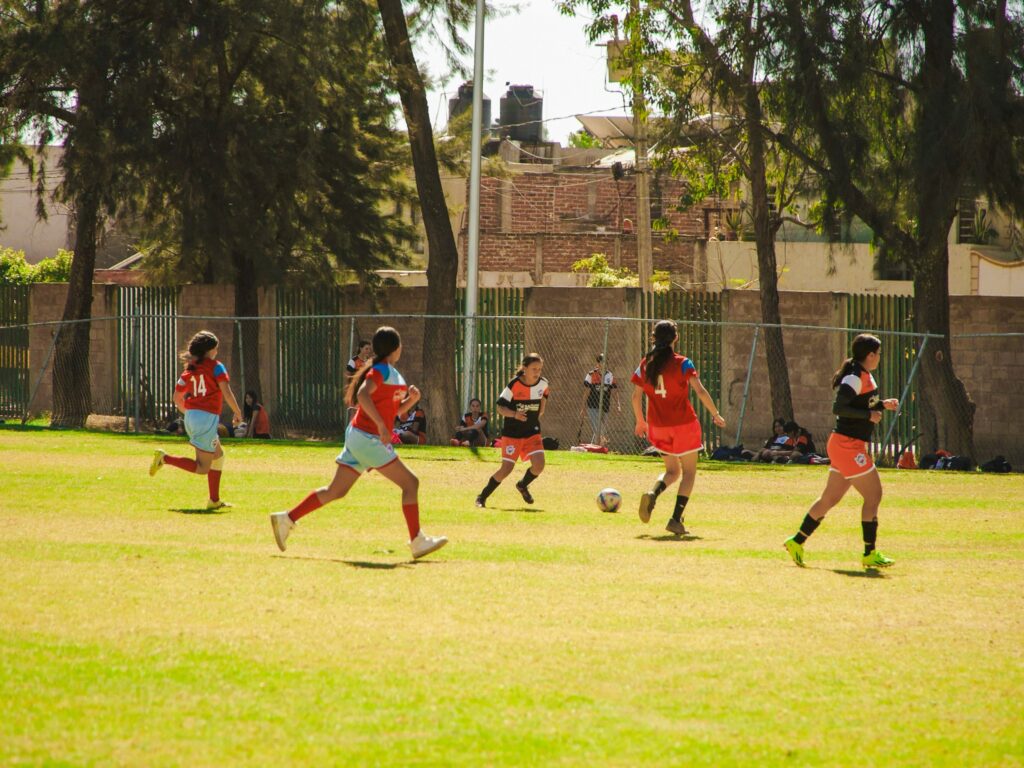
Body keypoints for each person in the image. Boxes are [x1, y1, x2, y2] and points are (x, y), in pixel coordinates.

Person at [269, 326, 447, 560]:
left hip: (361, 436)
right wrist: (381, 426)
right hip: (367, 438)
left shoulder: (391, 373)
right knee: (410, 483)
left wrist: (411, 401)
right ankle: (417, 540)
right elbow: (363, 395)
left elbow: (392, 413)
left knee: (336, 491)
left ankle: (287, 518)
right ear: (396, 348)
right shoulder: (381, 370)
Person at [783, 333, 899, 569]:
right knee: (874, 495)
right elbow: (839, 407)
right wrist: (868, 415)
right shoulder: (855, 377)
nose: (879, 357)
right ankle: (869, 553)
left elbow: (860, 403)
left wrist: (881, 405)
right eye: (878, 354)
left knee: (829, 499)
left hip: (844, 445)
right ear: (870, 355)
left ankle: (796, 542)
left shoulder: (864, 374)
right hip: (847, 446)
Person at [631, 320, 726, 536]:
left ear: (653, 338)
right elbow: (700, 391)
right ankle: (675, 519)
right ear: (676, 338)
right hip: (684, 425)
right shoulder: (683, 363)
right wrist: (715, 414)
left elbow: (636, 397)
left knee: (672, 471)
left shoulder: (645, 364)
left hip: (658, 427)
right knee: (689, 473)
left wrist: (640, 421)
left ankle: (653, 493)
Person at [149, 330, 243, 510]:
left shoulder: (190, 369)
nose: (216, 352)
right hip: (205, 420)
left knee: (218, 456)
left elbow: (176, 398)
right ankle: (165, 459)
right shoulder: (216, 367)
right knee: (202, 468)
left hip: (192, 417)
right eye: (215, 349)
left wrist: (191, 414)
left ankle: (214, 501)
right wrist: (237, 412)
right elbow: (226, 392)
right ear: (209, 350)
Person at [475, 353, 549, 508]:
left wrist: (539, 412)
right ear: (524, 368)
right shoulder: (514, 384)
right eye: (534, 369)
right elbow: (500, 407)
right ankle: (482, 497)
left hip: (532, 433)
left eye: (540, 369)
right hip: (513, 434)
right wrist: (515, 414)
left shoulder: (543, 383)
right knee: (506, 469)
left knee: (539, 466)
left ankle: (522, 485)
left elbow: (544, 398)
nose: (537, 372)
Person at [580, 353, 620, 444]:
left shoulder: (610, 375)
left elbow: (614, 391)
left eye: (606, 362)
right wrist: (583, 407)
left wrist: (618, 405)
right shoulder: (591, 374)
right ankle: (603, 440)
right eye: (602, 362)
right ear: (598, 363)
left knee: (598, 430)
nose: (605, 364)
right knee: (598, 428)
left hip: (605, 406)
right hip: (592, 406)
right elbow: (586, 392)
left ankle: (594, 446)